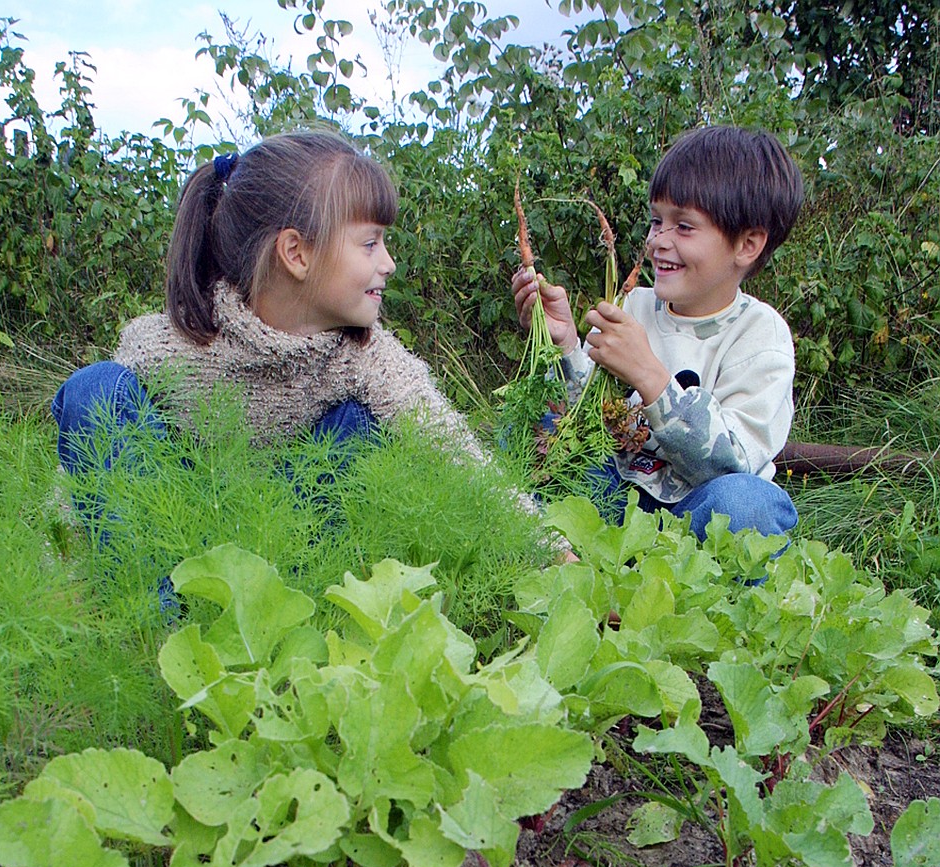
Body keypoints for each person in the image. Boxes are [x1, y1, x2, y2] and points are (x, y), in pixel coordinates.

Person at [52, 129, 535, 558]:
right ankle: (159, 628)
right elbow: (90, 471)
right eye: (370, 244)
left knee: (356, 427)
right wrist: (66, 557)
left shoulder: (365, 356)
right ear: (296, 253)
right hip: (175, 540)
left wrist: (547, 548)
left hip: (288, 547)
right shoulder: (168, 347)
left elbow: (449, 447)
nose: (388, 263)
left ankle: (306, 616)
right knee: (95, 390)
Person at [511, 125, 804, 542]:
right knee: (535, 426)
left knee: (749, 505)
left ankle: (693, 587)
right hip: (616, 502)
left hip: (696, 515)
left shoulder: (760, 335)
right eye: (656, 221)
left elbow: (732, 463)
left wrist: (651, 378)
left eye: (683, 227)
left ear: (747, 245)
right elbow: (586, 417)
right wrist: (565, 344)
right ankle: (564, 556)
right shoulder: (636, 305)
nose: (657, 241)